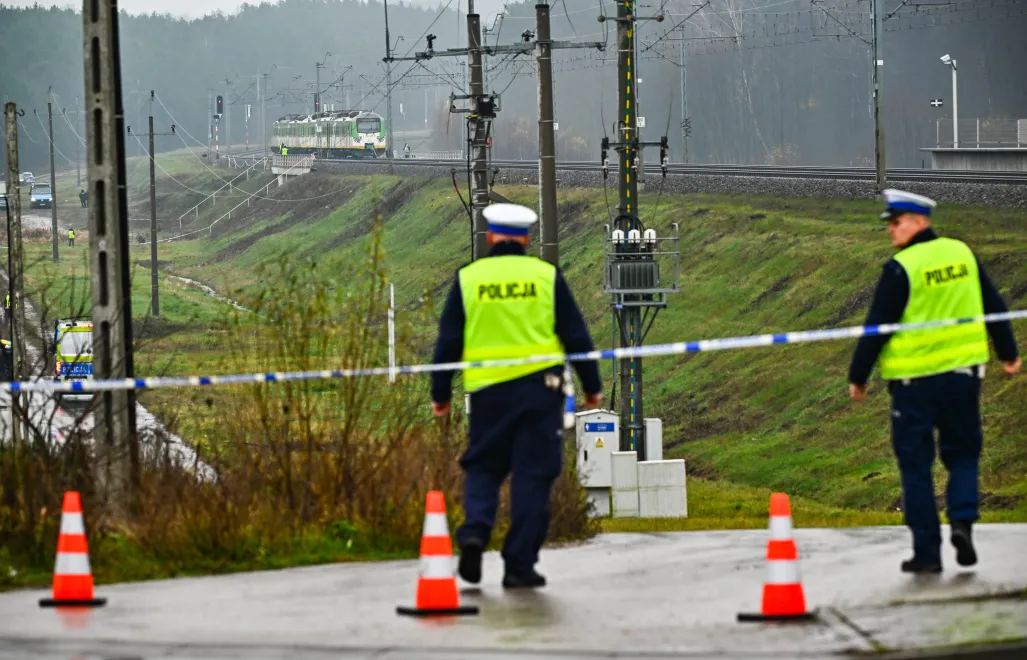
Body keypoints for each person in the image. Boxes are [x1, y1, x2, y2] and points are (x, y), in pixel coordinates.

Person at [431, 203, 603, 589]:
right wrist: (592, 385)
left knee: (484, 466)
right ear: (525, 238)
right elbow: (575, 335)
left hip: (487, 394)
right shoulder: (545, 276)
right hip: (539, 395)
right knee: (532, 474)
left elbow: (448, 341)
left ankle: (475, 532)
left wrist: (440, 393)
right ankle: (519, 564)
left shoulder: (468, 278)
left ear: (491, 236)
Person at [848, 189, 1021, 574]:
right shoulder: (962, 253)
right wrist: (1008, 352)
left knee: (915, 466)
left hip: (913, 387)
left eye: (897, 223)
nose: (891, 231)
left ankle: (926, 554)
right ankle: (962, 522)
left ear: (919, 222)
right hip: (963, 378)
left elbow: (877, 327)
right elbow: (994, 305)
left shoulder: (901, 267)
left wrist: (858, 376)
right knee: (962, 455)